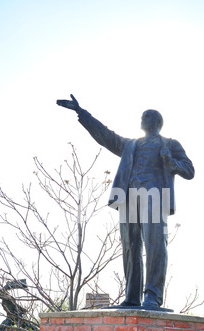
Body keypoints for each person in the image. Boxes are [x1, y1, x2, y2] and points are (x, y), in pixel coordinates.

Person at [57, 95, 194, 310]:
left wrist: (170, 160)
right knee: (130, 247)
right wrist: (82, 113)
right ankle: (131, 296)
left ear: (157, 122)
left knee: (155, 245)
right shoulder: (130, 144)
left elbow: (189, 170)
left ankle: (152, 296)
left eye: (146, 116)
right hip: (129, 197)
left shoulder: (170, 143)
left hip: (155, 196)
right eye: (141, 116)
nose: (142, 118)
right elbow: (105, 136)